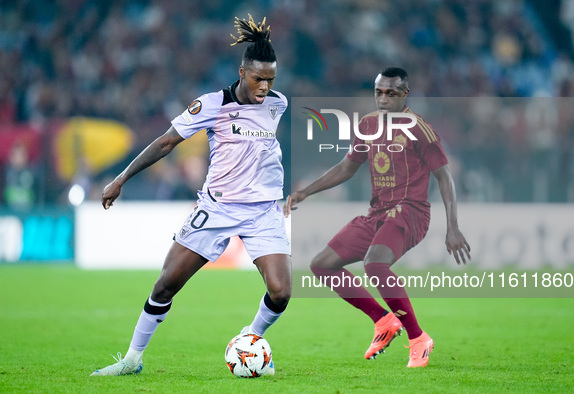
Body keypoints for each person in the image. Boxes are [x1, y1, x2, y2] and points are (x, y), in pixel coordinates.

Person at [91, 15, 291, 376]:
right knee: (166, 284)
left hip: (264, 211)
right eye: (259, 78)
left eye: (271, 79)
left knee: (281, 292)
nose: (265, 86)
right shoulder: (212, 104)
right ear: (242, 72)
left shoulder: (278, 104)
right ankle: (131, 360)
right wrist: (120, 178)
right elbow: (167, 142)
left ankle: (249, 338)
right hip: (217, 209)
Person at [284, 67, 471, 368]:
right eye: (379, 92)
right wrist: (306, 191)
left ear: (405, 95)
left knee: (374, 263)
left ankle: (418, 338)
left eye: (391, 93)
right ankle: (383, 320)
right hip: (378, 213)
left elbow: (444, 176)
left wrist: (453, 227)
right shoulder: (368, 125)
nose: (383, 99)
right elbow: (347, 167)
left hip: (410, 212)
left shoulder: (419, 128)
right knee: (322, 265)